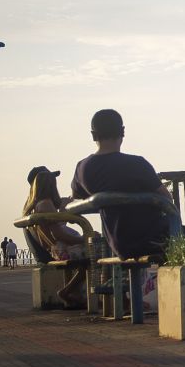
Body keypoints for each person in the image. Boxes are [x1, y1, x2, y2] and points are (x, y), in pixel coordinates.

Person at [71, 109, 172, 259]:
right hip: (153, 239)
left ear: (93, 135)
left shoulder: (82, 168)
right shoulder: (138, 164)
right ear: (122, 132)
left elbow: (77, 199)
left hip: (119, 245)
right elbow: (167, 199)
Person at [23, 167, 87, 305]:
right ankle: (68, 292)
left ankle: (74, 295)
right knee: (96, 255)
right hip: (61, 250)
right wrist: (84, 238)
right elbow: (58, 234)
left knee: (90, 255)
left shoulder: (35, 205)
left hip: (56, 249)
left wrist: (62, 212)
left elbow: (53, 228)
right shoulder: (46, 204)